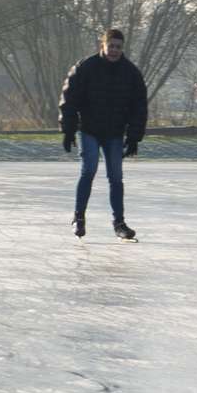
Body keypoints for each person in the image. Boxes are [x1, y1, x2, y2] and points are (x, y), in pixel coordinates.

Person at [58, 28, 148, 241]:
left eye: (118, 47)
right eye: (111, 46)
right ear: (103, 46)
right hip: (88, 129)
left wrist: (134, 137)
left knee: (116, 177)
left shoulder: (131, 73)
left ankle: (119, 223)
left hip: (114, 133)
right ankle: (78, 218)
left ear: (122, 48)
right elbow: (68, 99)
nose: (114, 51)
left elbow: (139, 107)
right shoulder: (85, 68)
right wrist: (68, 129)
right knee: (88, 169)